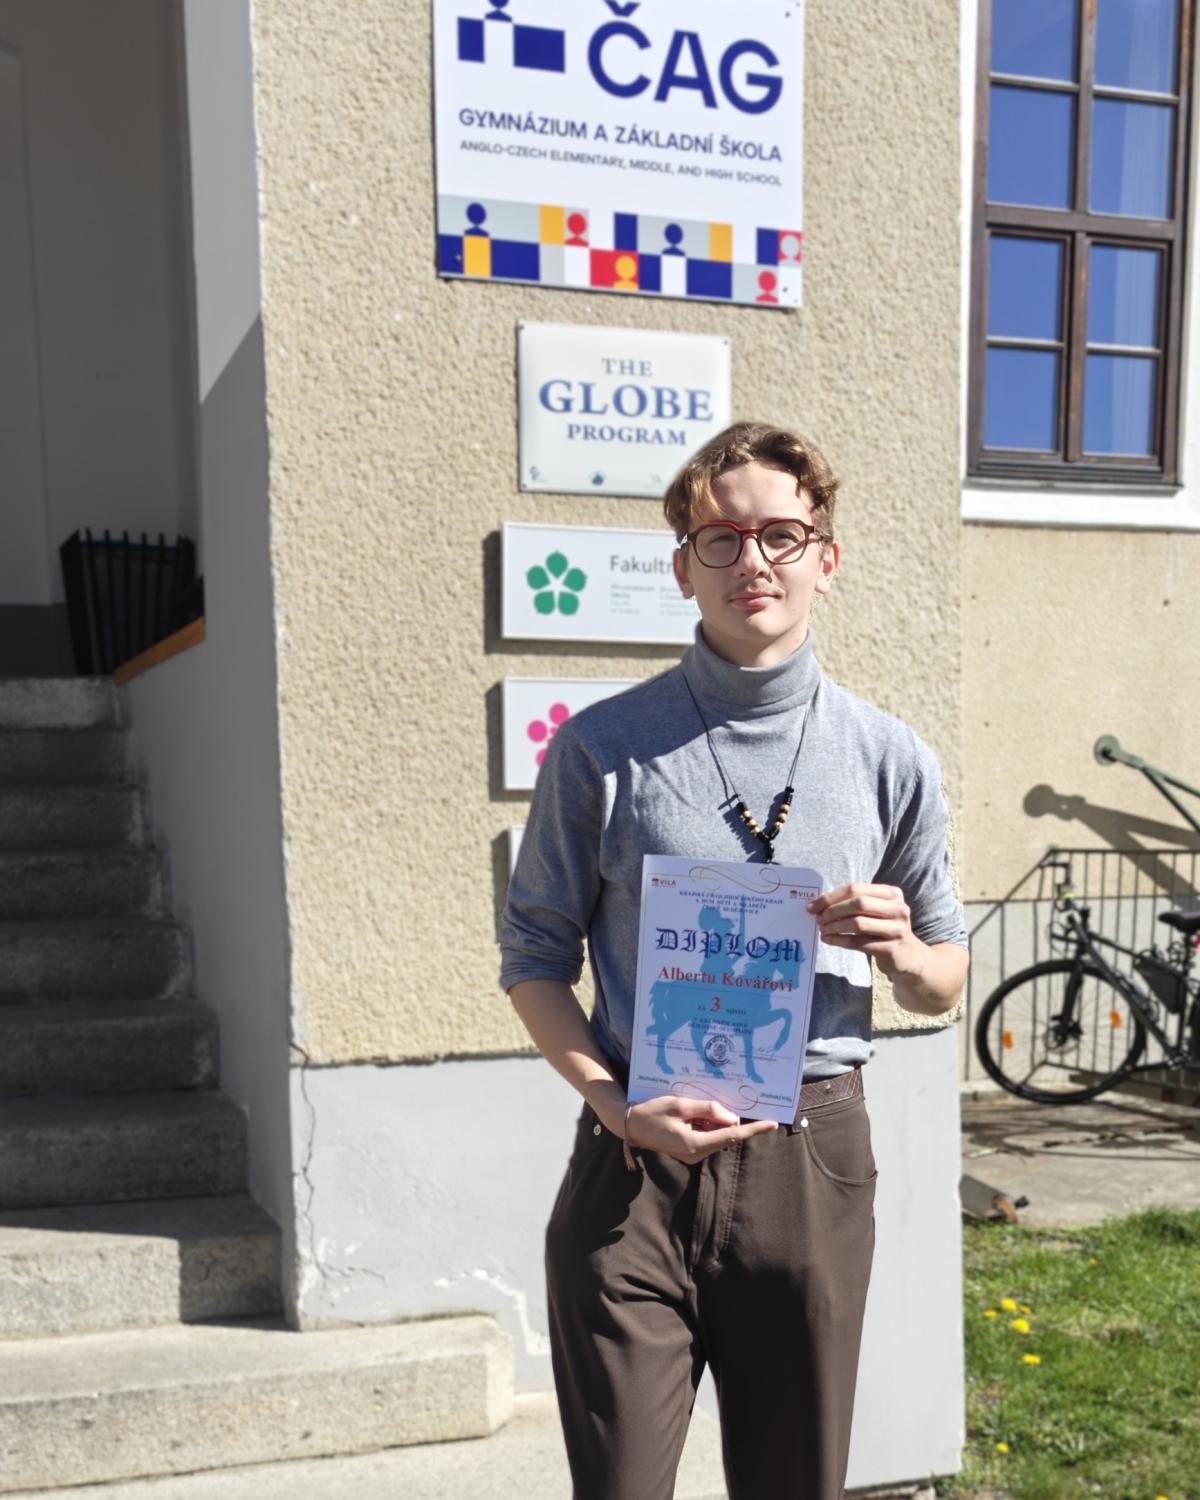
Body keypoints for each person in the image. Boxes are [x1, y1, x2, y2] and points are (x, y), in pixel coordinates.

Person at [499, 423, 969, 1500]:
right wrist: (616, 1107)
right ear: (683, 568)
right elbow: (534, 957)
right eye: (721, 538)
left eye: (780, 535)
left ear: (825, 560)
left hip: (808, 1160)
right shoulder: (601, 749)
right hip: (633, 1164)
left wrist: (903, 950)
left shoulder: (889, 757)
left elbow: (944, 978)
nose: (751, 559)